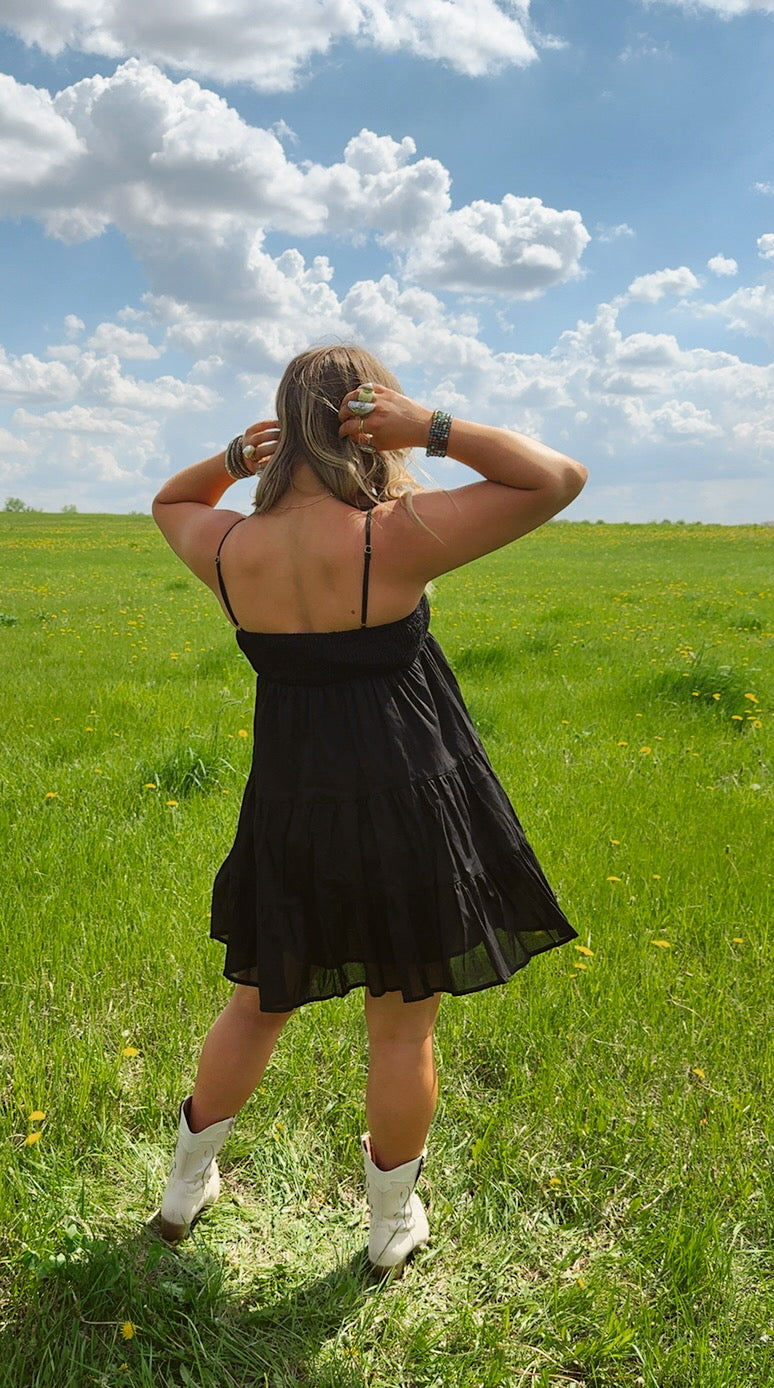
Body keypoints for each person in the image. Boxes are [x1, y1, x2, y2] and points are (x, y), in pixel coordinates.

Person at [149, 345, 587, 1276]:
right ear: (368, 418)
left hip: (291, 805)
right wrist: (430, 428)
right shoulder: (399, 533)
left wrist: (233, 462)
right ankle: (391, 1227)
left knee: (258, 1003)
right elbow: (556, 478)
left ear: (282, 425)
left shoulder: (232, 546)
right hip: (407, 803)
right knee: (402, 1027)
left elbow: (169, 503)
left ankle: (186, 1184)